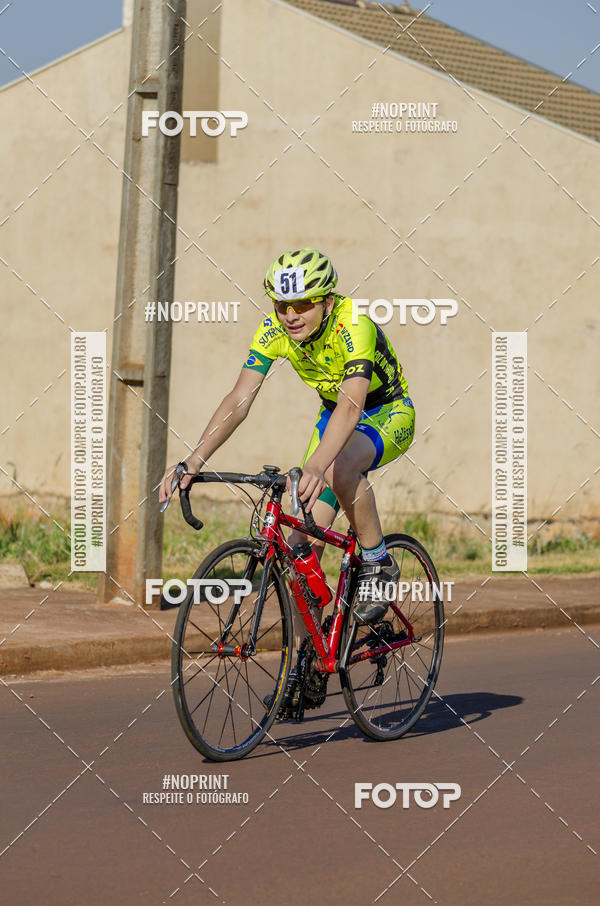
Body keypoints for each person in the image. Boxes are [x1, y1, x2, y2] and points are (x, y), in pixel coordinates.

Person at [159, 247, 415, 626]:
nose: (291, 315)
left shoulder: (353, 324)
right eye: (282, 305)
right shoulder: (273, 330)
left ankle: (379, 563)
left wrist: (316, 465)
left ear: (327, 302)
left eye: (304, 304)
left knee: (340, 468)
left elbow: (351, 406)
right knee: (298, 552)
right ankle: (308, 655)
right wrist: (194, 460)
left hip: (384, 411)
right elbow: (239, 399)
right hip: (333, 415)